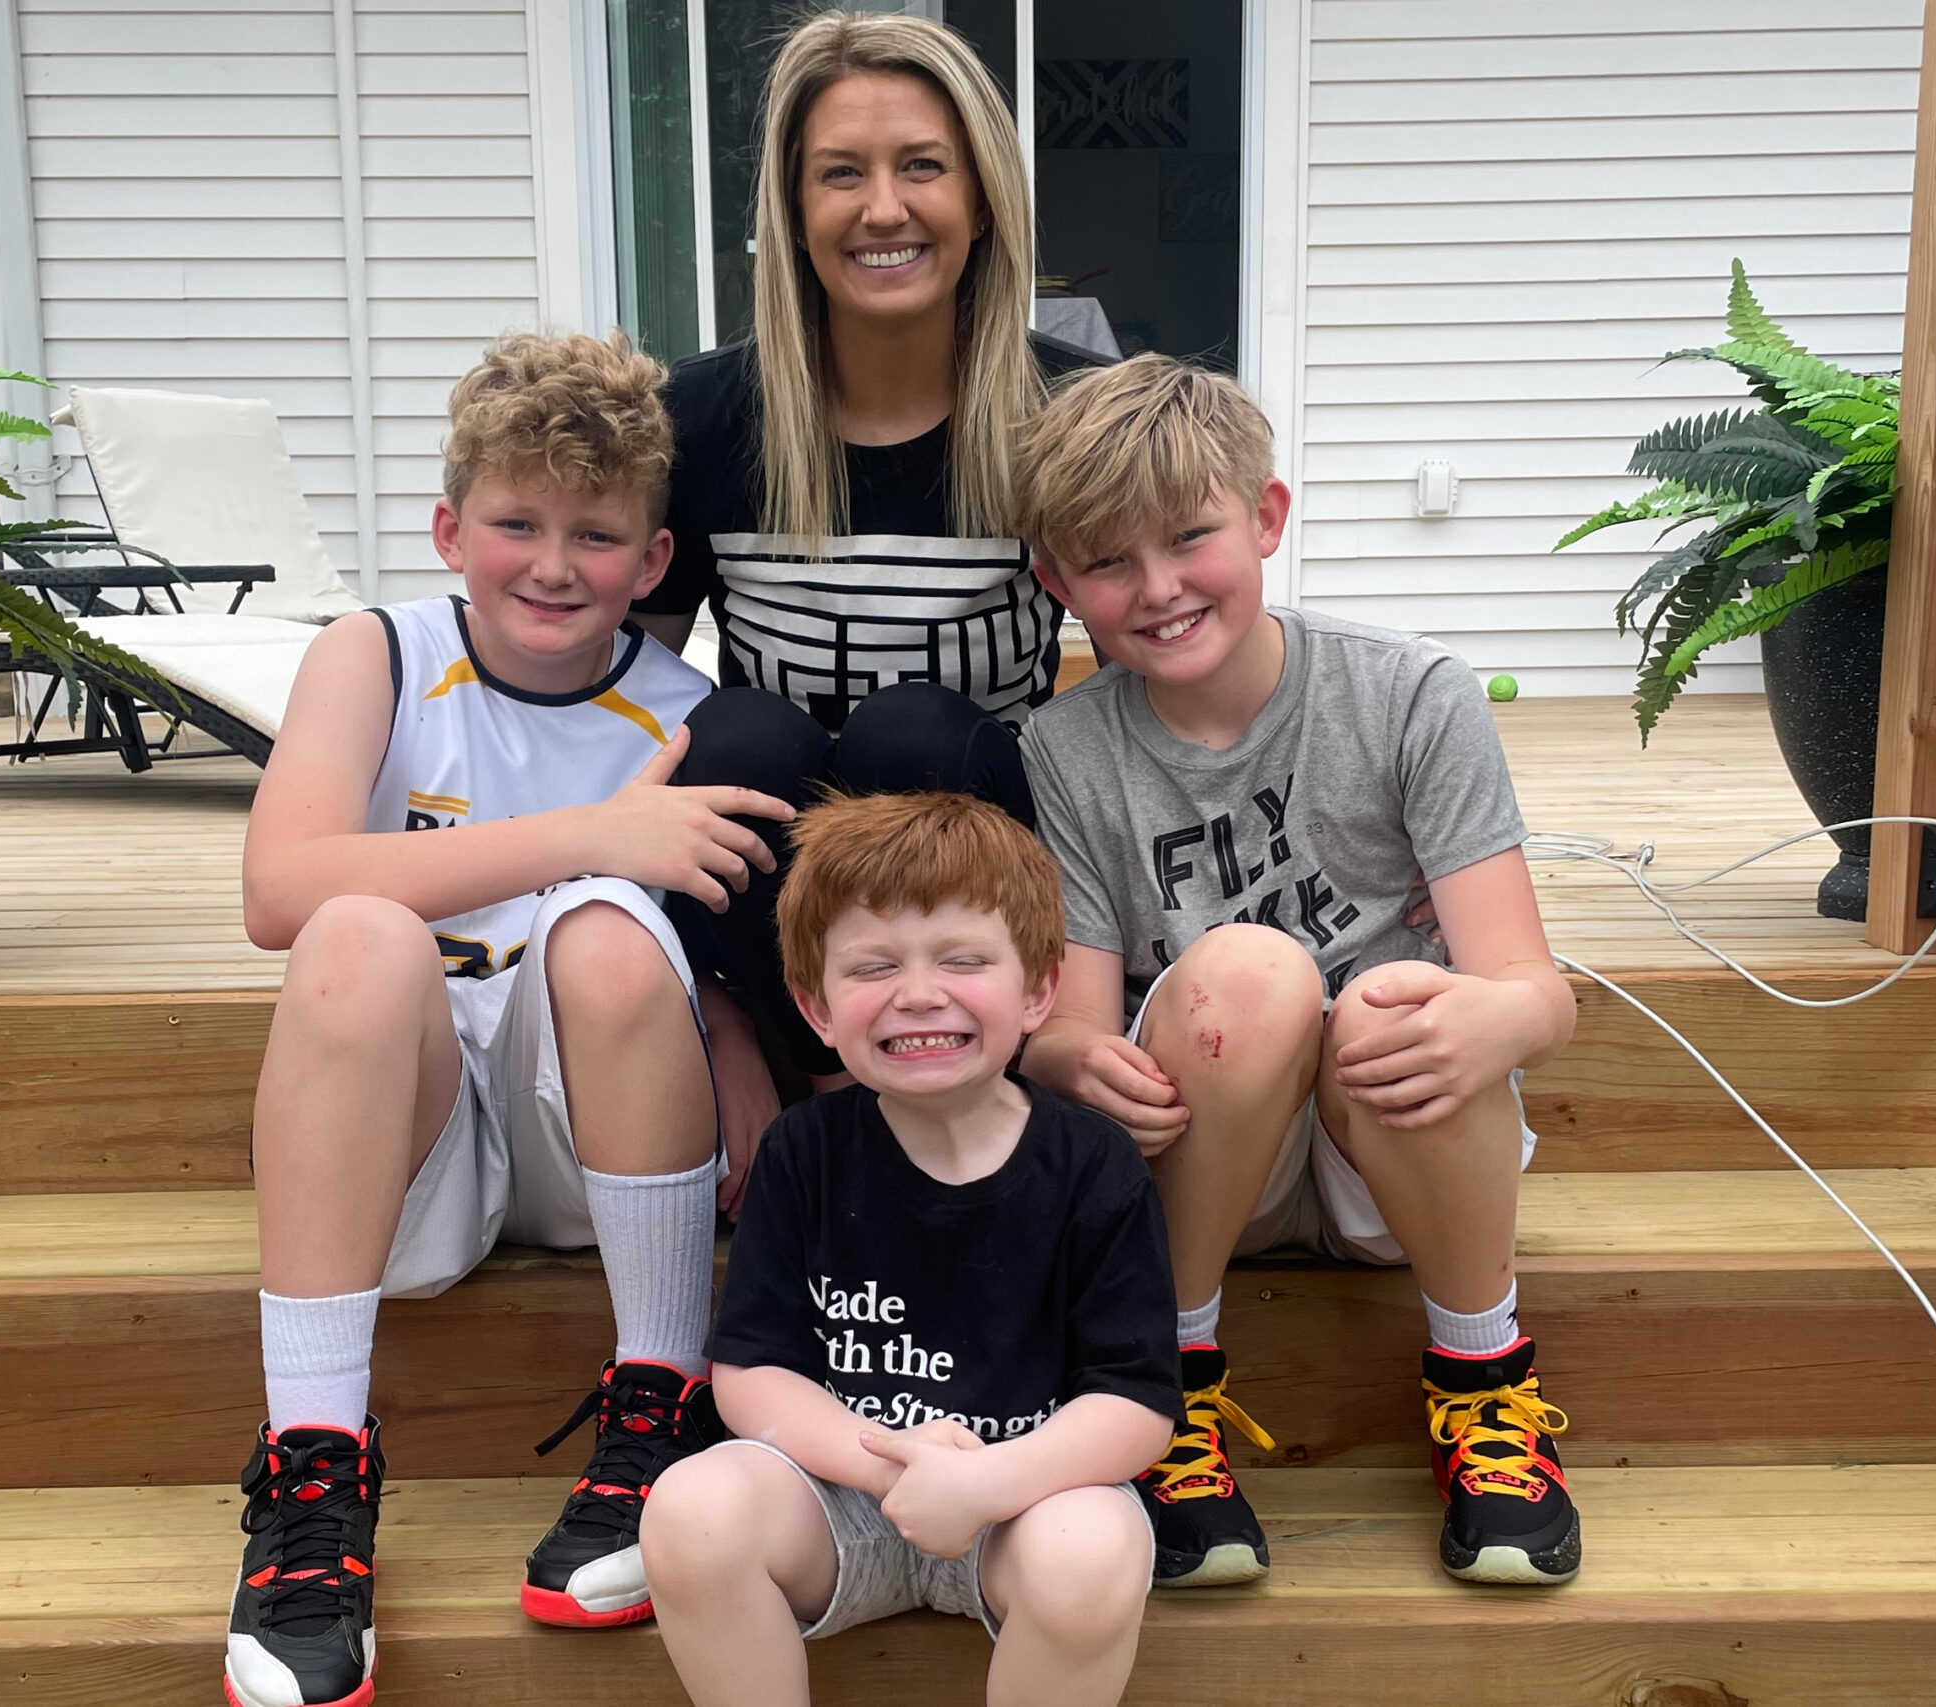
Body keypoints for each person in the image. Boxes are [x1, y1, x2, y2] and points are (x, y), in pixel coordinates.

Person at [223, 329, 799, 1707]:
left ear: (655, 561)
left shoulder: (685, 710)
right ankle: (312, 1471)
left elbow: (695, 947)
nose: (551, 563)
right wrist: (590, 830)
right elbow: (276, 889)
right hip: (405, 1142)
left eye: (596, 534)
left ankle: (659, 1395)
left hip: (585, 1143)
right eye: (515, 522)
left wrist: (729, 1035)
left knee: (608, 926)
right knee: (356, 926)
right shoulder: (376, 652)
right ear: (448, 526)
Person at [1013, 355, 1584, 1593]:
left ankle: (1484, 1378)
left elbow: (1536, 989)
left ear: (1264, 518)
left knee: (1389, 996)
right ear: (1058, 583)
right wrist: (1073, 1060)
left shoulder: (1410, 694)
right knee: (1255, 974)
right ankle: (1165, 1383)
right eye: (1108, 561)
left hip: (1399, 1151)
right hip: (1212, 1157)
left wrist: (1495, 1022)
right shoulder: (1062, 749)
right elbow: (1069, 1024)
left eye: (1189, 537)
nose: (1158, 589)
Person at [633, 11, 1103, 1100]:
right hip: (778, 909)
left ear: (982, 199)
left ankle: (958, 1059)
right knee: (738, 729)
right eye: (840, 172)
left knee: (913, 726)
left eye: (922, 167)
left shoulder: (1066, 415)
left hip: (984, 876)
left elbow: (1159, 676)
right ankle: (814, 1074)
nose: (882, 208)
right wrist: (713, 1014)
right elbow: (626, 707)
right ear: (794, 214)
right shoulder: (702, 419)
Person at [639, 791, 1181, 1707]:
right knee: (691, 1510)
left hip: (1025, 1501)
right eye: (873, 966)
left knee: (1096, 1548)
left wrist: (984, 1480)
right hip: (839, 1494)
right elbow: (753, 1375)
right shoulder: (805, 1150)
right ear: (815, 1006)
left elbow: (1133, 1404)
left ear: (1040, 990)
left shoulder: (1092, 1162)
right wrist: (890, 1464)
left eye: (963, 960)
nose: (919, 992)